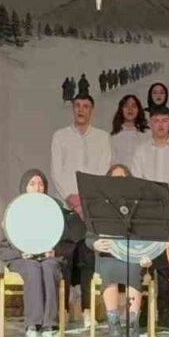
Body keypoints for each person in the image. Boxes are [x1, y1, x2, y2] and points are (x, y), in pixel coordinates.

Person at [0, 169, 82, 337]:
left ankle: (50, 327)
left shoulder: (54, 209)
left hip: (48, 257)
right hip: (23, 258)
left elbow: (69, 240)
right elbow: (4, 248)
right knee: (33, 269)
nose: (37, 188)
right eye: (32, 184)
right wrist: (20, 253)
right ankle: (33, 326)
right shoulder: (15, 211)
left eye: (41, 184)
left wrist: (55, 251)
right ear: (25, 187)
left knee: (50, 268)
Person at [50, 93, 111, 322]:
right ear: (73, 109)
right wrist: (72, 199)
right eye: (77, 105)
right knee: (65, 257)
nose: (81, 110)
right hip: (67, 206)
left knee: (87, 258)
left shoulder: (102, 137)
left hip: (91, 206)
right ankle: (63, 310)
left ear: (91, 110)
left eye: (86, 106)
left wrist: (86, 201)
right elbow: (57, 171)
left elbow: (102, 169)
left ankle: (87, 309)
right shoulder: (61, 136)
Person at [132, 107, 169, 330]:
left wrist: (166, 200)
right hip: (146, 212)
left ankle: (165, 313)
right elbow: (137, 180)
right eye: (156, 120)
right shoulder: (140, 151)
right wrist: (152, 201)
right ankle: (142, 314)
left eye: (164, 120)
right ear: (150, 123)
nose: (160, 124)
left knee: (166, 264)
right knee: (144, 261)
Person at [89, 164, 154, 337]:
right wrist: (94, 243)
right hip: (108, 255)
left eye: (123, 178)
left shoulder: (137, 206)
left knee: (134, 268)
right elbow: (89, 236)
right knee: (108, 269)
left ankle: (132, 326)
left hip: (132, 255)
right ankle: (114, 326)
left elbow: (146, 234)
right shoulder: (99, 206)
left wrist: (146, 254)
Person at [109, 94, 149, 168]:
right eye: (126, 106)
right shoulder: (113, 137)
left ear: (138, 110)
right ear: (121, 110)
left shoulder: (148, 134)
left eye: (134, 106)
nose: (130, 109)